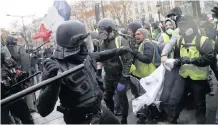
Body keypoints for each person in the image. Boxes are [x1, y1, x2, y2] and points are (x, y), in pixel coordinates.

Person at [36, 20, 132, 124]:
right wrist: (53, 84)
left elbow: (99, 55)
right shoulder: (55, 68)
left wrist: (118, 51)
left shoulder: (84, 55)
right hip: (80, 120)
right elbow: (43, 111)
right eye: (84, 39)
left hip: (100, 111)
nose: (87, 41)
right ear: (76, 42)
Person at [98, 18, 136, 124]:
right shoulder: (102, 42)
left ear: (111, 29)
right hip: (108, 76)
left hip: (120, 76)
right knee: (107, 97)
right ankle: (112, 115)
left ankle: (124, 121)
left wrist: (124, 77)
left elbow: (128, 59)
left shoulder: (120, 40)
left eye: (104, 29)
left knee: (122, 99)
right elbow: (101, 58)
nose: (102, 33)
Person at [1, 44, 34, 124]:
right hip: (2, 100)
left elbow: (16, 72)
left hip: (13, 95)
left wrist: (20, 75)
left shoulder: (7, 61)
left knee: (27, 118)